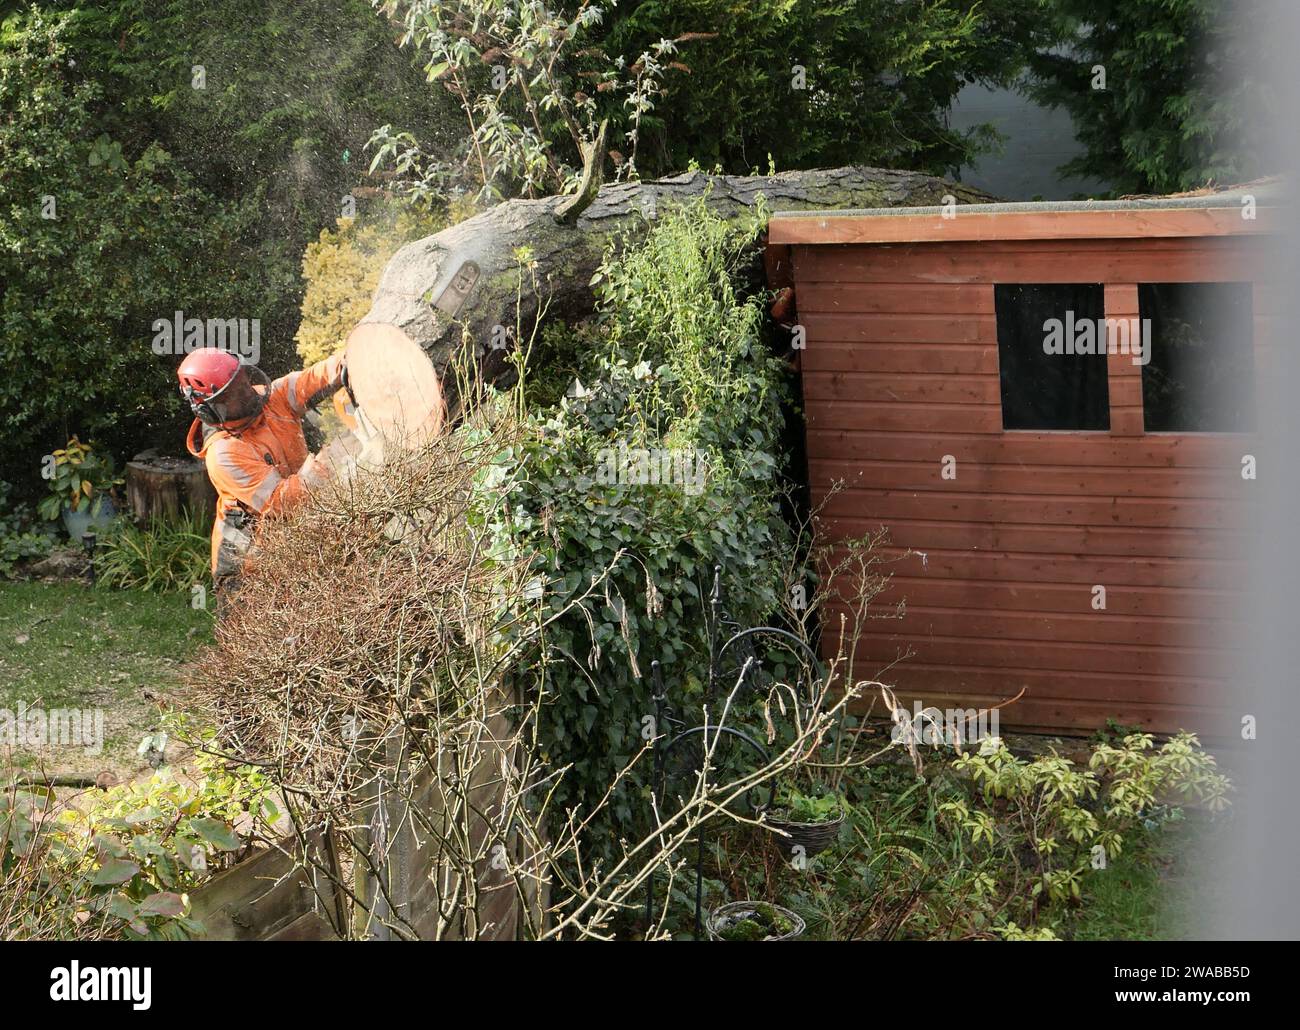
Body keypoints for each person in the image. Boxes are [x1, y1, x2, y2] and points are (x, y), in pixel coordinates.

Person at [177, 347, 357, 613]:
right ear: (210, 410)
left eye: (242, 383)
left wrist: (348, 364)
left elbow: (313, 378)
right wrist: (336, 457)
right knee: (251, 641)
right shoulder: (225, 453)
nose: (246, 393)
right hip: (246, 560)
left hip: (289, 538)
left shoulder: (273, 398)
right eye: (232, 395)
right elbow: (286, 502)